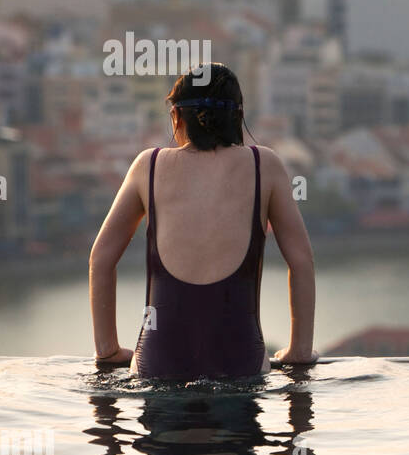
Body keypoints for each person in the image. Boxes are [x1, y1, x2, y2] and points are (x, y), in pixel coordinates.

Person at [89, 63, 317, 378]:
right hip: (239, 365)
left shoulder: (149, 165)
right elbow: (302, 261)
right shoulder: (265, 165)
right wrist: (299, 352)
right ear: (238, 117)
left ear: (177, 117)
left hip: (157, 365)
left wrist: (108, 350)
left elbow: (101, 258)